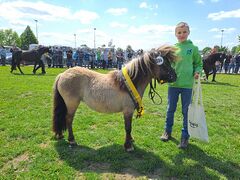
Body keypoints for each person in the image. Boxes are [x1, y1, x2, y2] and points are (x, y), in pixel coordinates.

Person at [160, 22, 203, 149]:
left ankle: (185, 136)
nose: (181, 34)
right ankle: (167, 131)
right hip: (173, 85)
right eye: (179, 32)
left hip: (187, 86)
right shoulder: (172, 48)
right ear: (175, 34)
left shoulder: (193, 48)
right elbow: (166, 65)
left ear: (188, 33)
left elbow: (198, 64)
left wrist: (197, 71)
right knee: (170, 109)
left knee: (186, 111)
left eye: (184, 32)